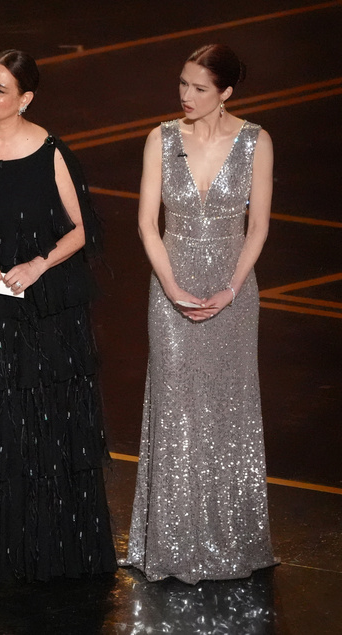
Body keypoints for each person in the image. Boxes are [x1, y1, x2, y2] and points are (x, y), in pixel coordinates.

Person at [0, 49, 116, 581]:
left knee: (43, 422)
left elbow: (81, 230)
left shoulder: (51, 152)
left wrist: (39, 264)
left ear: (26, 99)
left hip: (42, 308)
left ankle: (46, 546)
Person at [125, 44, 276, 582]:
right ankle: (170, 543)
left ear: (226, 93)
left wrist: (233, 288)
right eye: (182, 84)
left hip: (233, 292)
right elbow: (148, 223)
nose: (185, 96)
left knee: (229, 410)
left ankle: (233, 537)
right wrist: (171, 286)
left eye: (199, 88)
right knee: (176, 410)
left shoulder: (256, 142)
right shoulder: (161, 140)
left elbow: (257, 227)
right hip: (172, 287)